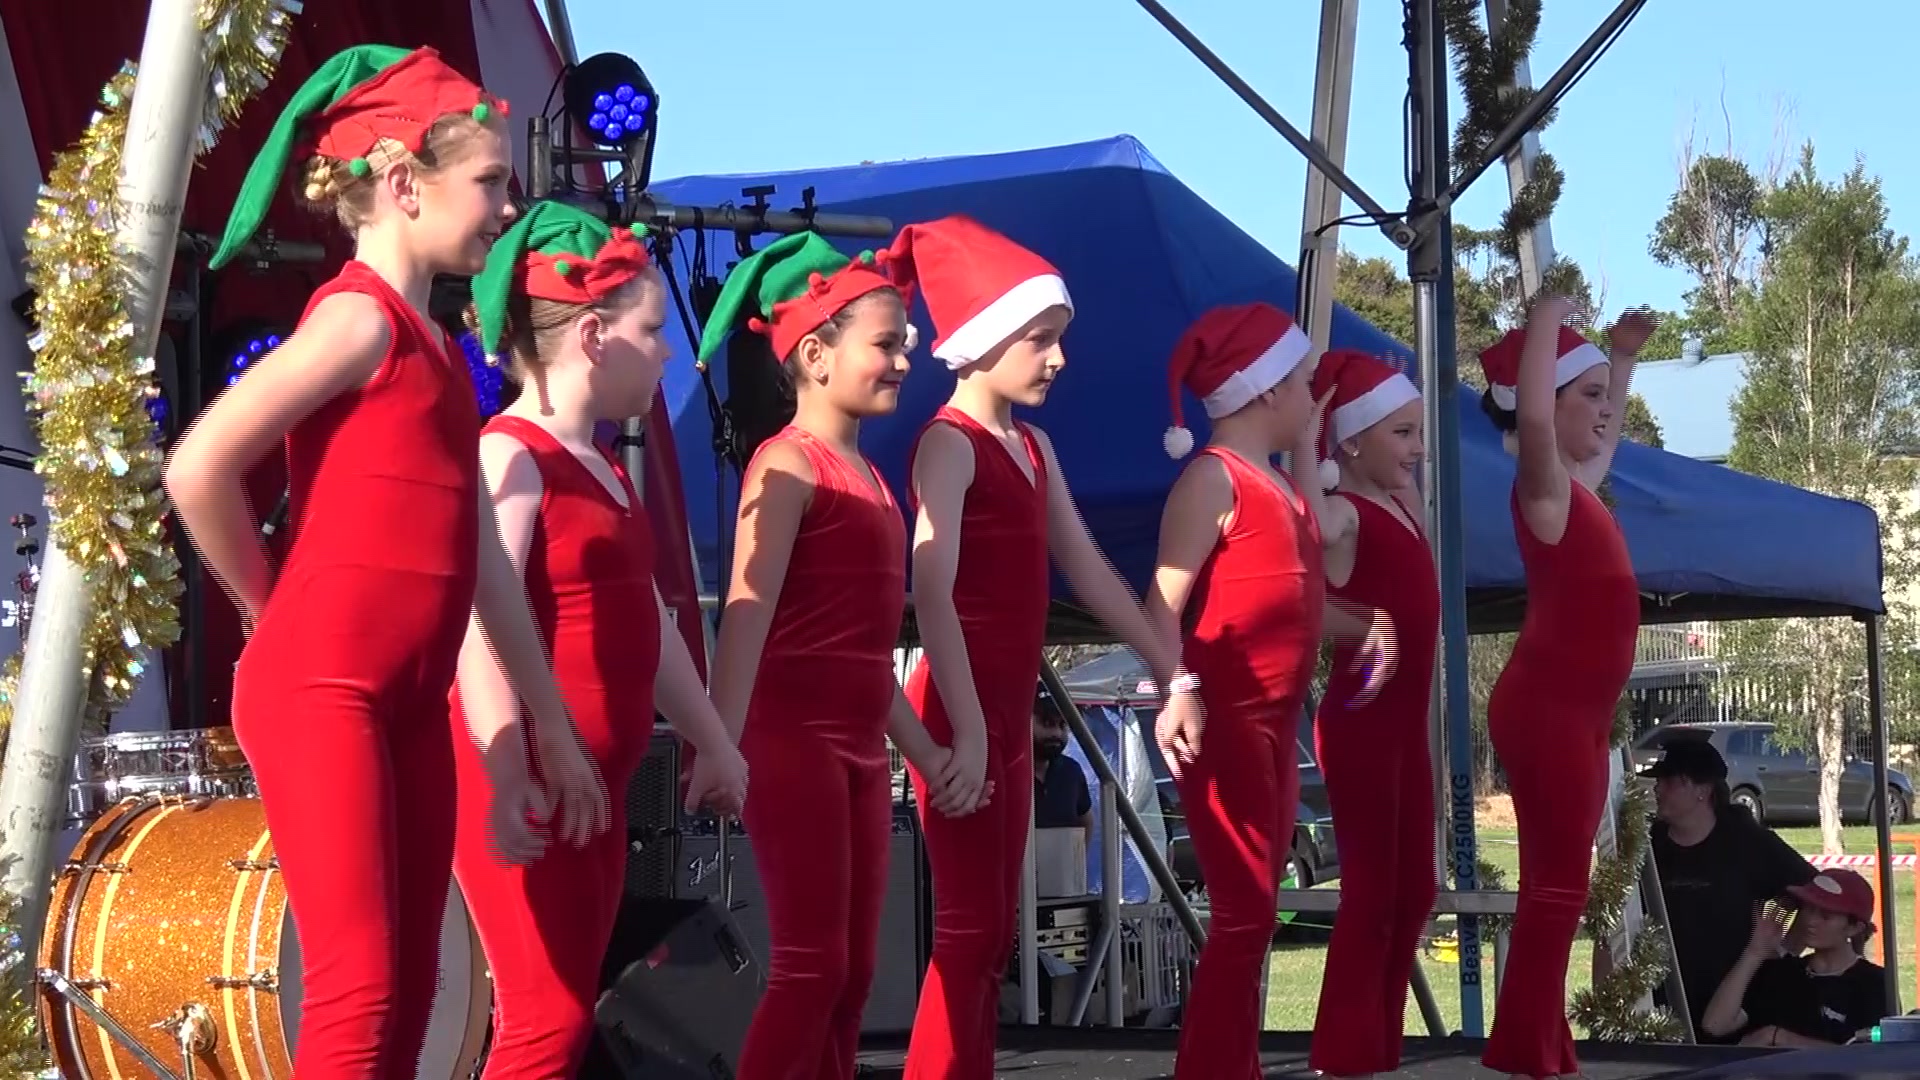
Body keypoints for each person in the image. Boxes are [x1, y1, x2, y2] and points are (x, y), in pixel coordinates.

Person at [164, 45, 605, 1080]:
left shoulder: (434, 345)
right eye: (491, 181)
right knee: (359, 995)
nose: (506, 205)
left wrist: (545, 717)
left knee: (412, 999)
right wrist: (269, 613)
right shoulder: (360, 318)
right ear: (404, 186)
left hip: (404, 702)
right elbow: (199, 469)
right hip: (325, 689)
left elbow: (479, 563)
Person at [451, 201, 751, 1078]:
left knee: (569, 1017)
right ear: (590, 335)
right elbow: (478, 621)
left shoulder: (606, 465)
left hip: (595, 787)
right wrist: (513, 765)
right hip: (535, 781)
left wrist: (711, 739)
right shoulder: (509, 452)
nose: (666, 351)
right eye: (651, 330)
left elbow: (646, 626)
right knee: (545, 1021)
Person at [882, 215, 1180, 1080]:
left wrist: (1169, 664)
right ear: (985, 335)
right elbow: (932, 592)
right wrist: (966, 731)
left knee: (989, 942)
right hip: (963, 711)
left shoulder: (1033, 447)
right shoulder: (949, 443)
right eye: (1042, 340)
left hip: (1004, 717)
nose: (1057, 359)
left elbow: (1088, 570)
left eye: (1058, 341)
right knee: (970, 933)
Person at [704, 233, 972, 1080]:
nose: (907, 357)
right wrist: (719, 742)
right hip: (791, 747)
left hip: (856, 751)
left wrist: (921, 748)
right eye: (887, 344)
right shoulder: (785, 464)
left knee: (853, 979)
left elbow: (863, 654)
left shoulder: (868, 475)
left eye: (905, 342)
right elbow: (744, 615)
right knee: (813, 968)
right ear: (815, 355)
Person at [1146, 304, 1395, 1080]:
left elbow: (1296, 601)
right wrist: (1176, 685)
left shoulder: (1280, 489)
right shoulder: (1212, 479)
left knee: (1255, 919)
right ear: (1261, 392)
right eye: (1299, 379)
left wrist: (1366, 625)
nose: (1312, 391)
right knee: (1246, 916)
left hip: (1275, 725)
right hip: (1226, 720)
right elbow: (1160, 606)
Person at [1475, 296, 1655, 1080]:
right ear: (1543, 404)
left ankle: (1539, 1043)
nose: (1607, 411)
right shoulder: (1542, 485)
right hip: (1548, 708)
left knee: (1561, 886)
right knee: (1558, 886)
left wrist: (1618, 359)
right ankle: (1524, 1052)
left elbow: (1593, 434)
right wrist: (1545, 319)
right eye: (1589, 397)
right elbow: (1543, 427)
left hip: (1574, 712)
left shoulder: (1580, 485)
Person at [1305, 348, 1438, 1080]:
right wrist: (1308, 433)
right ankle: (1345, 1057)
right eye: (1402, 435)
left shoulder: (1403, 502)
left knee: (1413, 891)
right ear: (1352, 439)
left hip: (1403, 732)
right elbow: (1299, 586)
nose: (1418, 451)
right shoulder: (1340, 515)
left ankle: (1377, 1050)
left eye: (1419, 434)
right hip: (1359, 724)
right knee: (1372, 895)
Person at [1638, 736, 1815, 1040]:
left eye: (1669, 781)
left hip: (1735, 1011)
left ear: (1702, 791)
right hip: (1661, 1010)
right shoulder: (1648, 845)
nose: (1657, 789)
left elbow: (1815, 897)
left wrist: (1783, 954)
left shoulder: (1746, 841)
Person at [1701, 869, 1888, 1047]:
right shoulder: (1781, 974)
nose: (1811, 921)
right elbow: (1715, 1025)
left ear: (1855, 928)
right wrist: (1754, 953)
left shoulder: (1873, 983)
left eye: (1825, 916)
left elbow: (1868, 1057)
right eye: (1808, 909)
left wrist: (1779, 1037)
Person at [1032, 688, 1093, 844]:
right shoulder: (1005, 772)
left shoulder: (1071, 771)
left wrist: (1077, 864)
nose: (1056, 733)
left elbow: (1085, 819)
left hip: (1061, 867)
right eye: (1047, 723)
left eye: (1062, 725)